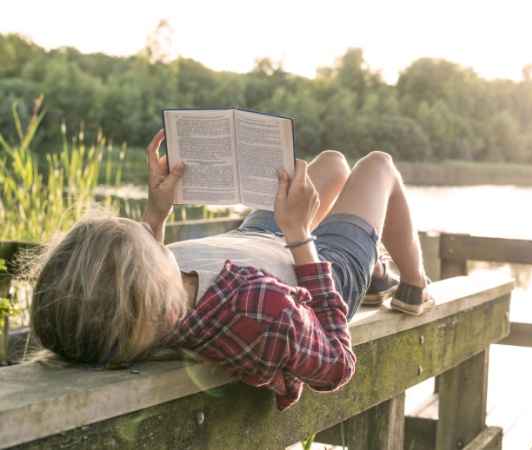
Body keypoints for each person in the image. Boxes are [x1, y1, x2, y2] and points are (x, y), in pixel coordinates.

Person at [29, 129, 433, 410]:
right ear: (160, 294)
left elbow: (137, 284)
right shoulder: (257, 309)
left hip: (253, 241)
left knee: (329, 165)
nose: (145, 234)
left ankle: (376, 267)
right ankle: (412, 285)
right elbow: (336, 364)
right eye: (144, 240)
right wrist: (297, 233)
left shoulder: (150, 307)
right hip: (313, 264)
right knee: (378, 165)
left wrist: (157, 211)